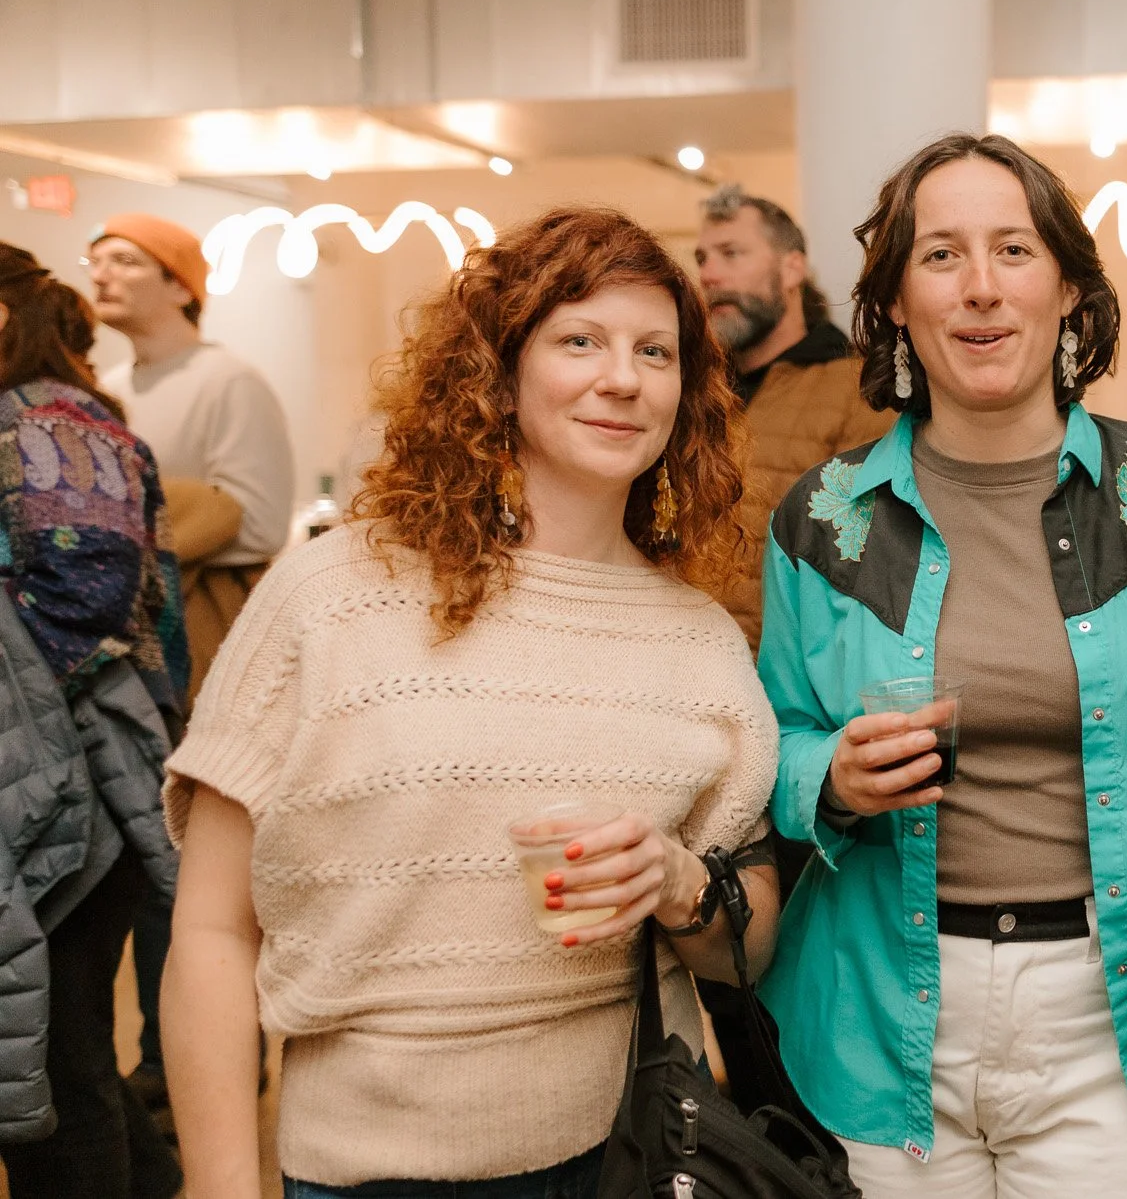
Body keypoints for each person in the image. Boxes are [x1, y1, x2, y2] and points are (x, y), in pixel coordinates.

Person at [158, 207, 783, 1197]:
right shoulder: (331, 597)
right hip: (363, 1173)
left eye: (653, 350)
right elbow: (212, 928)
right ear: (501, 370)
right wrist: (222, 1184)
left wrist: (674, 882)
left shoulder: (698, 642)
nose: (621, 376)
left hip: (630, 1155)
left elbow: (744, 944)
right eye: (580, 340)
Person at [755, 134, 1127, 1197]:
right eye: (941, 256)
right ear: (896, 301)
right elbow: (762, 751)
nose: (982, 289)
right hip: (878, 1013)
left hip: (1107, 1013)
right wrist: (829, 781)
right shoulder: (820, 519)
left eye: (1014, 249)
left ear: (1069, 291)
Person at [88, 212, 295, 1116]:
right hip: (127, 659)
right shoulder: (106, 385)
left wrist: (115, 519)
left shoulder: (228, 380)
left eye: (126, 259)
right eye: (95, 258)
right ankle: (154, 1078)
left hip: (202, 656)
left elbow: (253, 515)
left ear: (180, 283)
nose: (103, 272)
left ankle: (197, 1086)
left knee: (195, 879)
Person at [0, 246, 187, 1199]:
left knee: (58, 1064)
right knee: (59, 1061)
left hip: (78, 790)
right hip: (48, 779)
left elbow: (91, 589)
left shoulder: (55, 423)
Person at [694, 184, 891, 649]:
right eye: (702, 258)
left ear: (791, 268)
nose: (710, 275)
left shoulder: (856, 388)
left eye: (732, 253)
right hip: (679, 666)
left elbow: (866, 563)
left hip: (787, 682)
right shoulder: (693, 391)